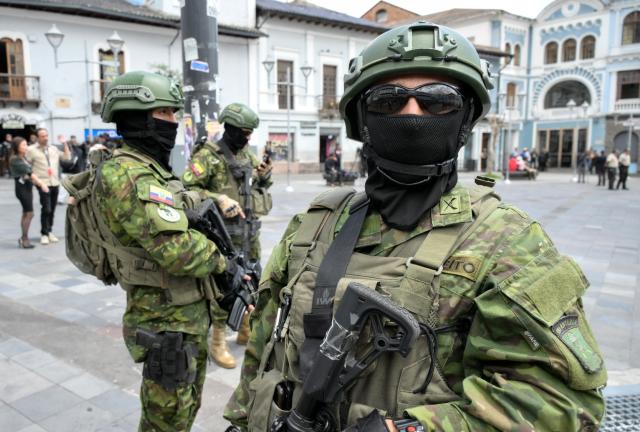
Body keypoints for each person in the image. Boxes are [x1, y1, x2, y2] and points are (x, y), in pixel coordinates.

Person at [224, 22, 605, 432]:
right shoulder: (312, 227)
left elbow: (564, 402)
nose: (411, 114)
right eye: (388, 101)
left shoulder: (507, 242)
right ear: (363, 119)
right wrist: (241, 420)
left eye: (438, 101)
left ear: (464, 119)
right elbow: (266, 350)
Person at [95, 70, 239, 431]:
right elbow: (175, 249)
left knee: (184, 409)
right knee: (166, 420)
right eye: (165, 113)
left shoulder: (151, 170)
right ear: (138, 117)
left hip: (182, 316)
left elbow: (184, 198)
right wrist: (223, 262)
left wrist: (214, 199)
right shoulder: (128, 174)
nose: (173, 122)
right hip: (164, 322)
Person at [182, 102, 272, 369]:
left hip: (248, 233)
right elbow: (187, 189)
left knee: (251, 281)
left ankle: (245, 330)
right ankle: (218, 343)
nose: (247, 137)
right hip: (222, 236)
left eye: (250, 132)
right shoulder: (207, 156)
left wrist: (265, 175)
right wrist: (218, 197)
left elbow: (258, 183)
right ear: (229, 128)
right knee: (225, 288)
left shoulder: (246, 155)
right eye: (243, 131)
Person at [26, 127, 70, 245]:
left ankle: (49, 231)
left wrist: (65, 143)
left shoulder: (53, 148)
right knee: (46, 208)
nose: (45, 138)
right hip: (42, 183)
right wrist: (32, 180)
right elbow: (26, 166)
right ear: (37, 137)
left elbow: (66, 157)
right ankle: (44, 234)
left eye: (46, 135)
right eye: (42, 136)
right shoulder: (31, 150)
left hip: (55, 182)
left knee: (52, 209)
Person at [9, 137, 48, 248]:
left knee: (26, 213)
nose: (26, 147)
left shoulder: (23, 157)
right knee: (29, 213)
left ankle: (23, 238)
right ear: (17, 147)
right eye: (23, 145)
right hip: (21, 188)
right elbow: (30, 173)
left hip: (27, 186)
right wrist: (42, 184)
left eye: (26, 144)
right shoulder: (15, 159)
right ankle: (24, 239)